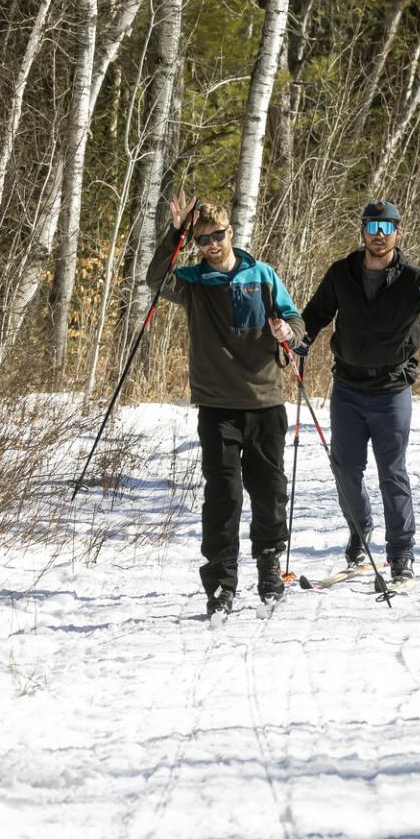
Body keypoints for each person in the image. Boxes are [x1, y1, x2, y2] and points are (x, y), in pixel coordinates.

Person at [148, 194, 306, 617]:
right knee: (224, 496)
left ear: (231, 232)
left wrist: (286, 333)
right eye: (202, 239)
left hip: (265, 400)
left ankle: (269, 569)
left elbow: (296, 321)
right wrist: (176, 233)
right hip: (217, 405)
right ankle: (220, 584)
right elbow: (155, 279)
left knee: (270, 493)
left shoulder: (263, 274)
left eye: (217, 236)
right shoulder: (194, 283)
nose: (211, 245)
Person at [293, 200, 420, 583]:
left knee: (392, 472)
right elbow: (316, 313)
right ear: (363, 231)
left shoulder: (414, 279)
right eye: (373, 227)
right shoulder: (342, 272)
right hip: (348, 388)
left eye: (387, 227)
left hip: (391, 389)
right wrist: (302, 338)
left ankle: (401, 553)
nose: (379, 235)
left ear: (398, 232)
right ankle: (359, 528)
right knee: (346, 470)